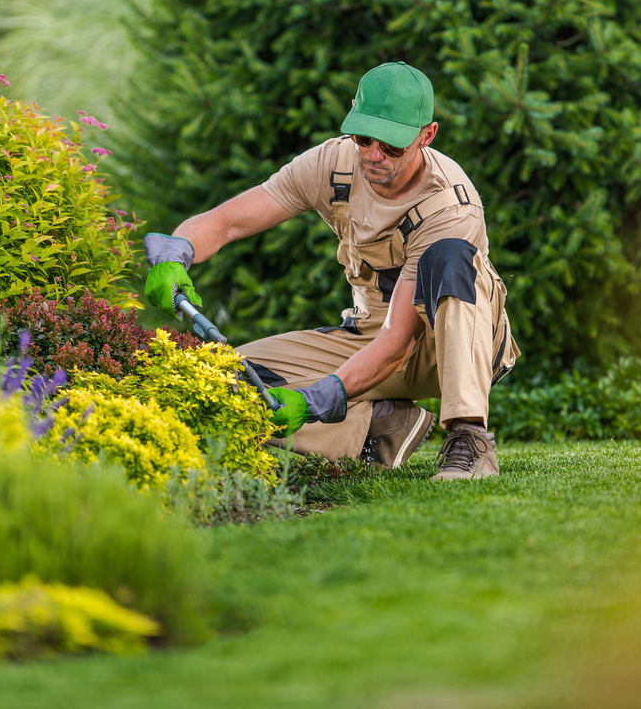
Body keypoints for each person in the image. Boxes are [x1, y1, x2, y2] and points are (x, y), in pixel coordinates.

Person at [143, 62, 519, 480]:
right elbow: (231, 220)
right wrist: (177, 253)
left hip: (443, 346)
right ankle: (378, 426)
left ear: (426, 136)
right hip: (367, 336)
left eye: (392, 145)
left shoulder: (450, 206)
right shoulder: (333, 163)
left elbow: (399, 342)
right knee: (224, 381)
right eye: (364, 138)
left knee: (450, 257)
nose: (374, 154)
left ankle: (470, 439)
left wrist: (315, 399)